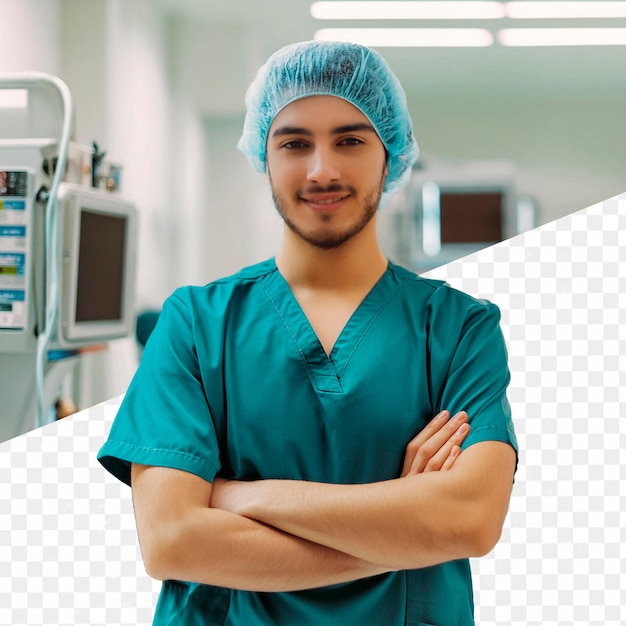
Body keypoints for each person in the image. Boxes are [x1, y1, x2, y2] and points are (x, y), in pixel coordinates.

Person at [98, 40, 518, 625]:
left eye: (349, 139)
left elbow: (470, 520)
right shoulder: (195, 324)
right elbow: (172, 541)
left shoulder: (458, 330)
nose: (322, 169)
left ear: (389, 152)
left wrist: (246, 496)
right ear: (263, 154)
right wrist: (405, 526)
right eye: (294, 142)